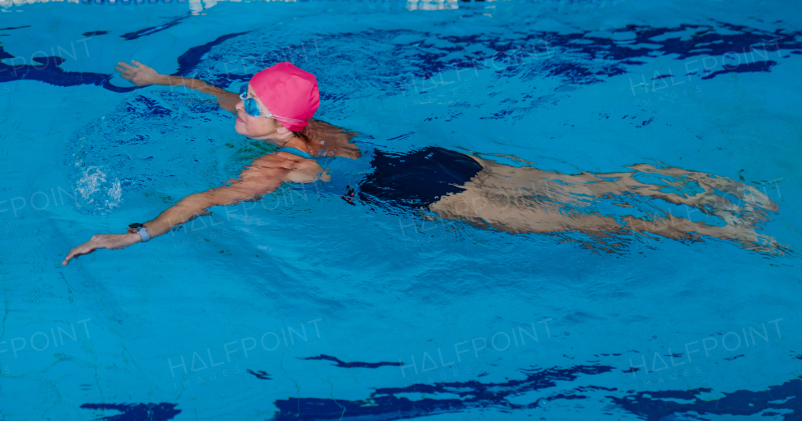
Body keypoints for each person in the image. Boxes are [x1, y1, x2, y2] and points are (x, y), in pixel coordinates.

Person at [60, 61, 780, 265]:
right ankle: (711, 190)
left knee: (575, 221)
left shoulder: (273, 168)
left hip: (408, 189)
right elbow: (220, 96)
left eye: (250, 103)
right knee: (581, 181)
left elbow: (203, 203)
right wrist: (169, 82)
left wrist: (130, 234)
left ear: (279, 125)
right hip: (433, 156)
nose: (238, 106)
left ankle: (726, 236)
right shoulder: (311, 123)